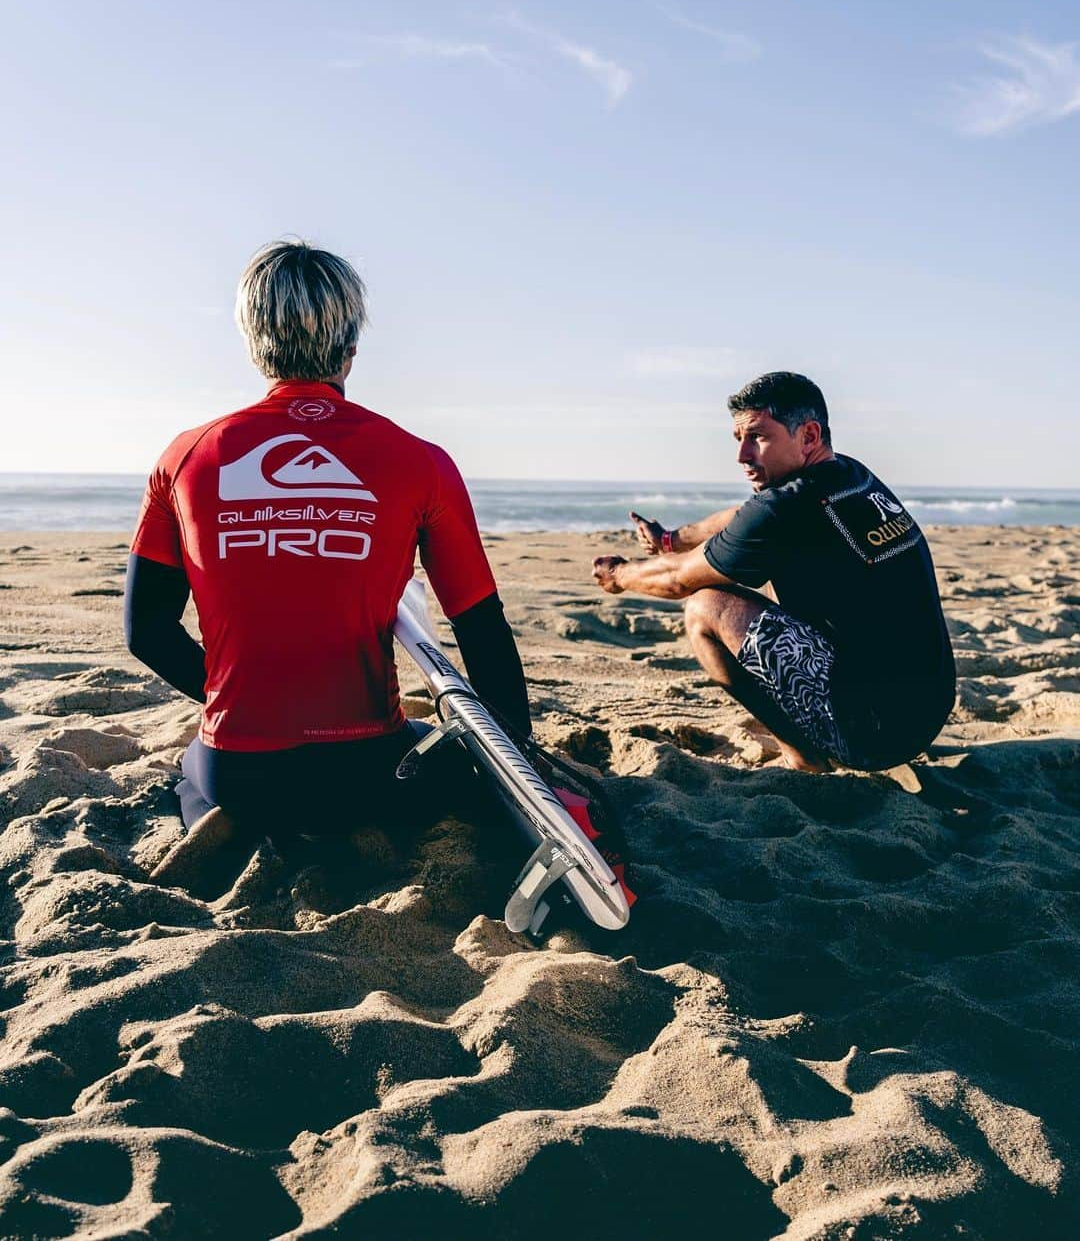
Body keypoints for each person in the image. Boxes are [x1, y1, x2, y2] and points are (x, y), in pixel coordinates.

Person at [125, 240, 530, 860]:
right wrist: (520, 767)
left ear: (252, 341)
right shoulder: (421, 461)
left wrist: (229, 700)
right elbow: (480, 628)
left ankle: (212, 809)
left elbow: (146, 632)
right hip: (369, 774)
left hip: (241, 773)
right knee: (432, 750)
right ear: (352, 346)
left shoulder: (185, 455)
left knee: (192, 763)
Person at [591, 372, 955, 773]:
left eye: (758, 437)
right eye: (738, 440)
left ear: (809, 436)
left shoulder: (781, 510)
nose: (742, 456)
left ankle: (804, 756)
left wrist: (620, 575)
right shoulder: (851, 476)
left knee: (704, 607)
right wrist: (670, 540)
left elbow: (676, 579)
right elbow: (739, 519)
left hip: (874, 734)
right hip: (929, 710)